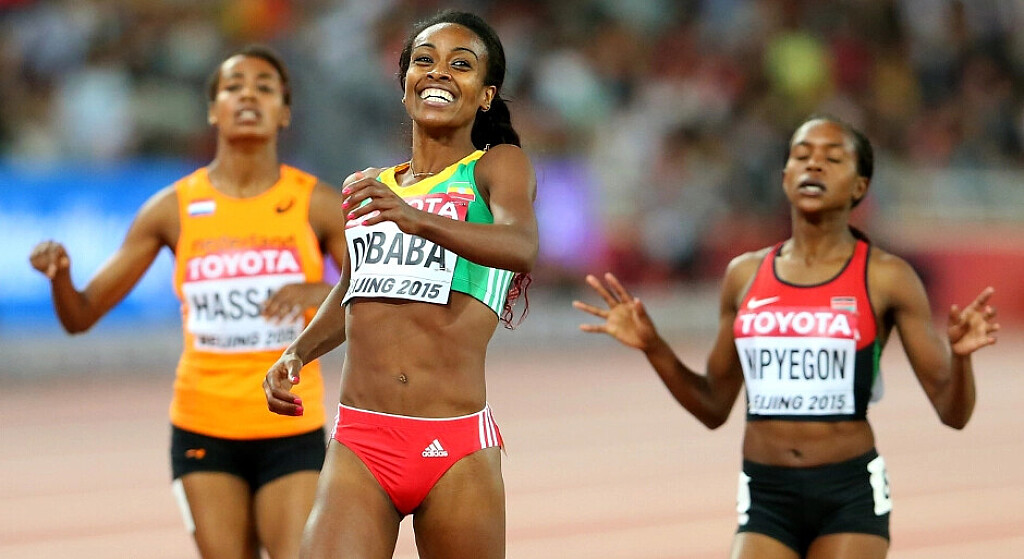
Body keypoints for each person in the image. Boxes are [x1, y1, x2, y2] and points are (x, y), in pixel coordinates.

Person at [574, 115, 999, 559]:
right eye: (801, 155)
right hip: (766, 494)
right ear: (784, 177)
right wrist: (655, 348)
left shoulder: (887, 277)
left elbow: (953, 413)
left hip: (848, 495)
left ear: (860, 186)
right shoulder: (745, 275)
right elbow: (713, 406)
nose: (814, 165)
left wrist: (961, 358)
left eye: (833, 158)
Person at [29, 45, 348, 559]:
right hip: (203, 429)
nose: (248, 96)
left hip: (290, 424)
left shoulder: (318, 203)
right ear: (213, 110)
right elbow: (80, 316)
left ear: (285, 112)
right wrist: (61, 278)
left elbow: (375, 296)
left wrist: (318, 292)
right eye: (233, 87)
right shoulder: (172, 209)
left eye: (264, 88)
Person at [262, 10, 537, 559]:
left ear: (486, 95)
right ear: (405, 82)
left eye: (461, 64)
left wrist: (417, 218)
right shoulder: (370, 188)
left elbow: (521, 245)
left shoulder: (496, 167)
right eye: (424, 60)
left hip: (455, 446)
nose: (439, 72)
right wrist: (297, 352)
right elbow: (353, 291)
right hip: (361, 442)